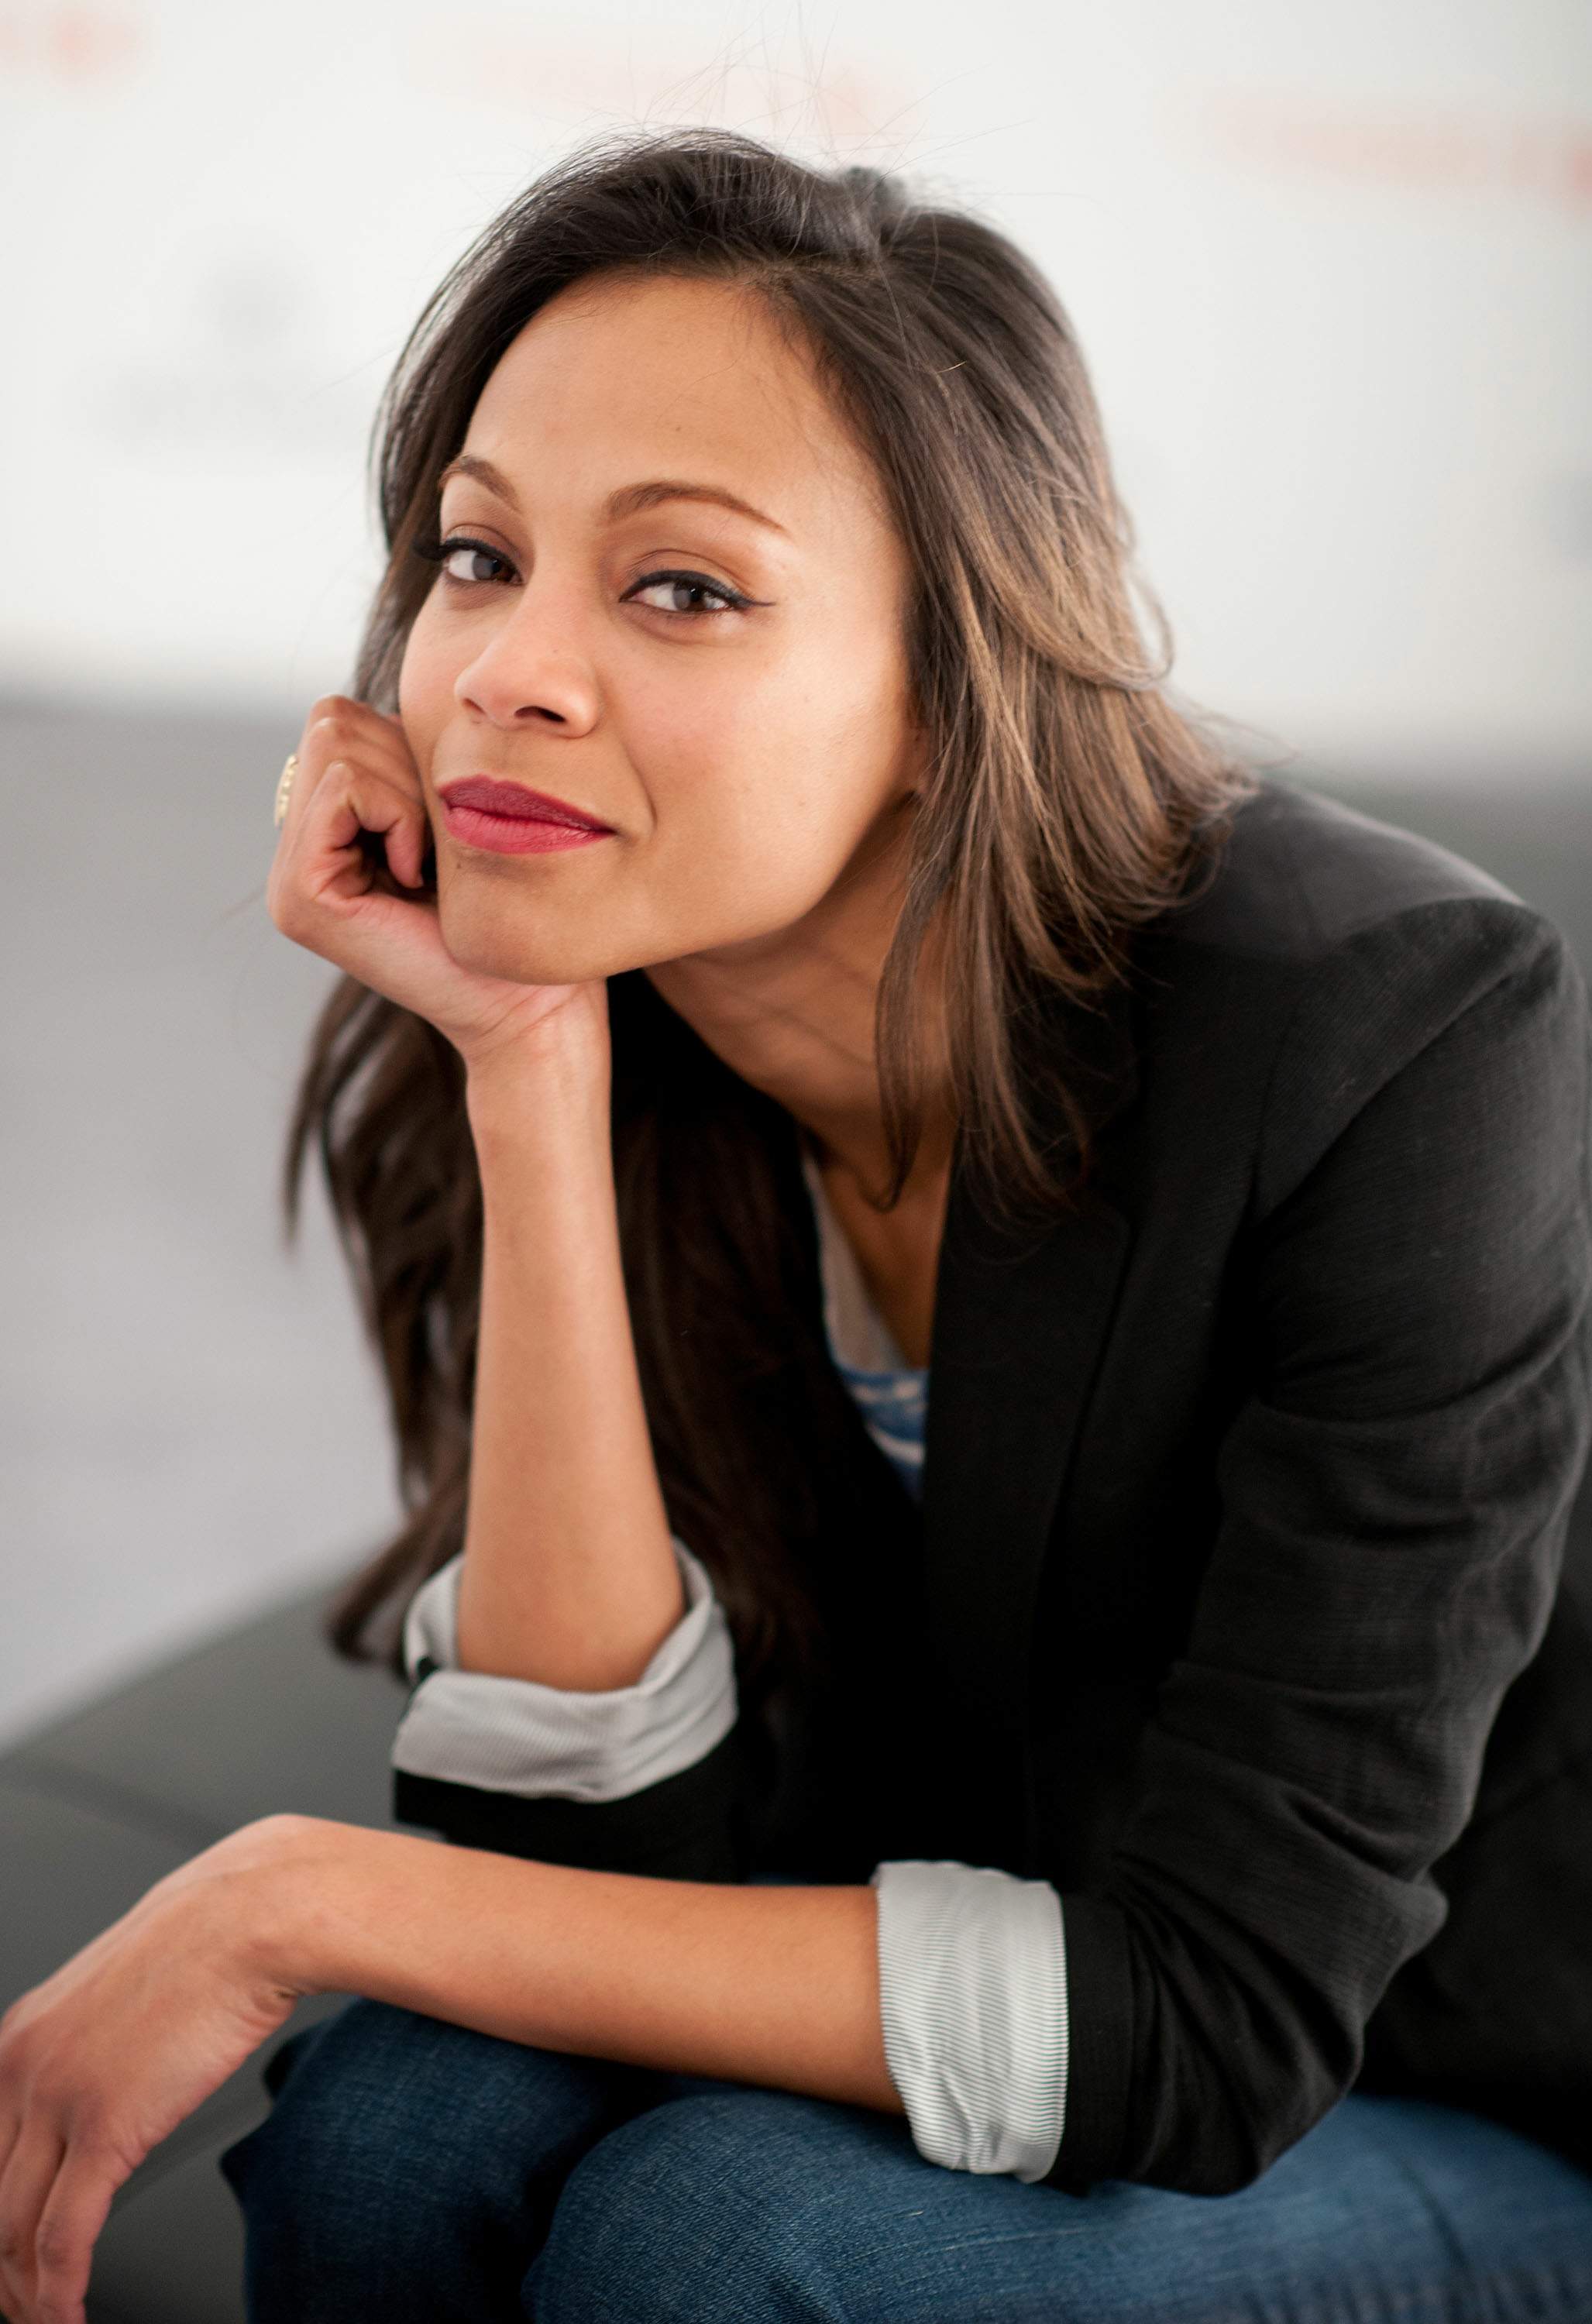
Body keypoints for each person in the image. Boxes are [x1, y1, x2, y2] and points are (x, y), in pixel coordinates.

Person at [3, 125, 1592, 2324]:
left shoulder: (1389, 1029)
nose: (507, 671)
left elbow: (1217, 2019)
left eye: (681, 588)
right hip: (977, 1927)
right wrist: (525, 1071)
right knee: (397, 2123)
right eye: (479, 554)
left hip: (1451, 2077)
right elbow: (588, 1856)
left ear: (953, 686)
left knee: (722, 2233)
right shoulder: (611, 1000)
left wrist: (290, 1898)